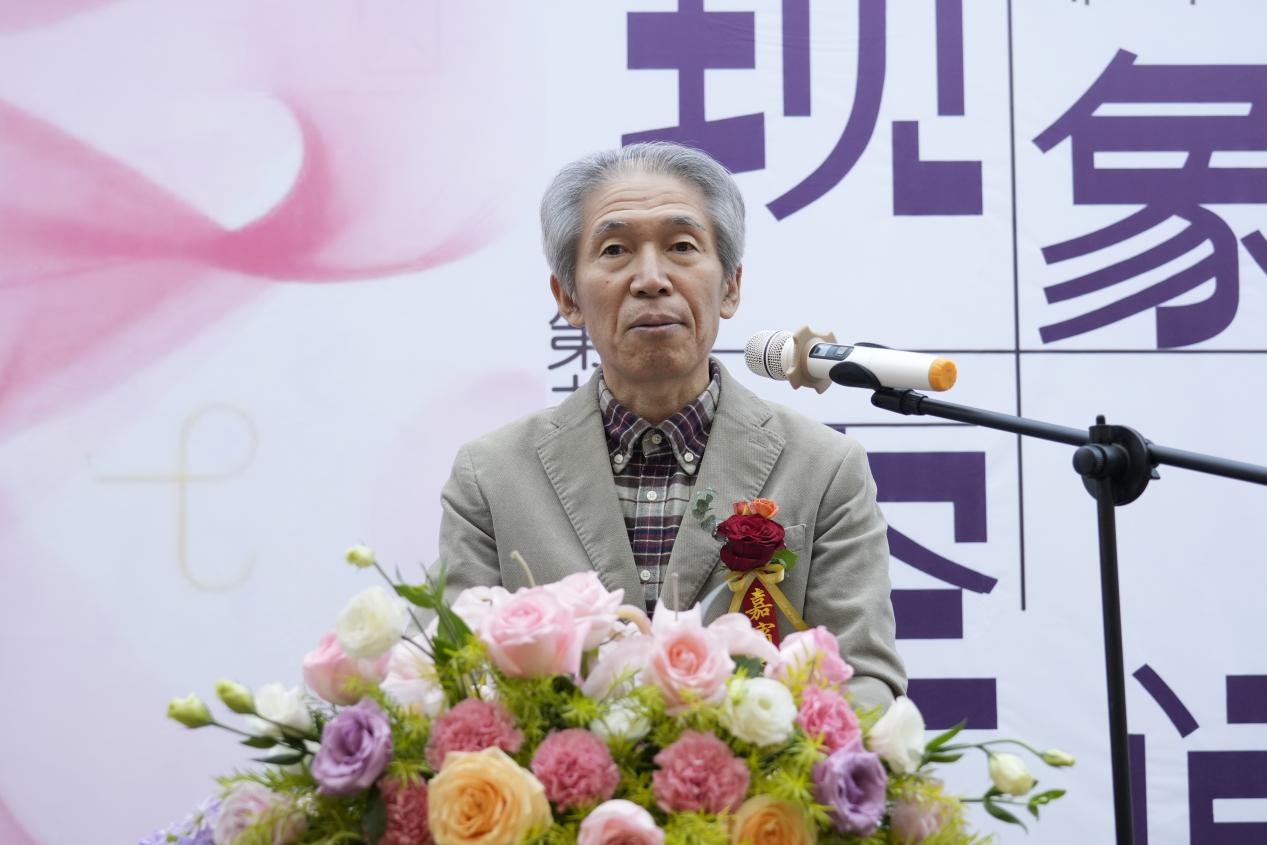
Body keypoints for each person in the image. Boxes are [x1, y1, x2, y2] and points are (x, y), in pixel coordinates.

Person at [435, 142, 905, 708]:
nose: (651, 279)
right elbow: (459, 684)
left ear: (731, 285)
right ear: (568, 297)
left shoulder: (824, 468)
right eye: (615, 250)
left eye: (682, 246)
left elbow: (864, 682)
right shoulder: (491, 477)